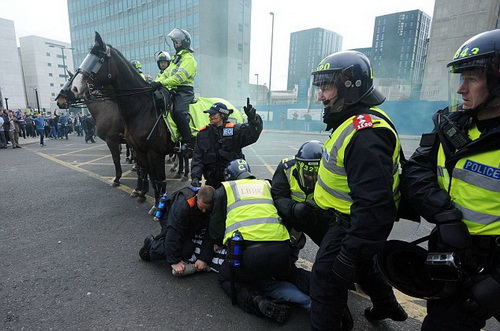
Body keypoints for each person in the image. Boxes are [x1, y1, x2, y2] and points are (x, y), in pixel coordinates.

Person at [402, 29, 500, 331]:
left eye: (471, 79)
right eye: (460, 78)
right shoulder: (450, 126)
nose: (460, 89)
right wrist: (444, 215)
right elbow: (416, 172)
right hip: (452, 247)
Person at [308, 50, 407, 330]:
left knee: (325, 280)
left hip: (352, 225)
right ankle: (388, 305)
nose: (320, 96)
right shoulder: (354, 123)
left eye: (326, 87)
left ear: (350, 87)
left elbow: (375, 205)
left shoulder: (364, 134)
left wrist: (349, 252)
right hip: (348, 219)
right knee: (364, 267)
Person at [209, 159, 311, 324]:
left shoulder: (225, 190)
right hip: (281, 249)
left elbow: (215, 231)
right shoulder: (267, 185)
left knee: (226, 278)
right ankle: (326, 292)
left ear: (229, 177)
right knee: (292, 274)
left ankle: (257, 302)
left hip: (249, 255)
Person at [271, 140, 329, 259]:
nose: (310, 177)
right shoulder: (286, 168)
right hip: (293, 214)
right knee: (285, 249)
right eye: (307, 173)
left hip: (318, 215)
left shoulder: (332, 170)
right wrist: (294, 208)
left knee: (330, 246)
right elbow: (278, 196)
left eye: (315, 174)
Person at [139, 185, 215, 276]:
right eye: (202, 207)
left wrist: (204, 258)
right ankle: (152, 246)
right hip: (169, 217)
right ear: (197, 198)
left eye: (207, 209)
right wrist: (175, 261)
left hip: (189, 220)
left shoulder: (214, 205)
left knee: (190, 245)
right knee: (186, 250)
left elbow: (211, 231)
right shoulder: (182, 206)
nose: (204, 211)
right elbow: (174, 232)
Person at [190, 102, 263, 189]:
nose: (210, 116)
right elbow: (197, 158)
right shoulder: (203, 134)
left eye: (213, 114)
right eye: (210, 114)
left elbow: (253, 134)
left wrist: (253, 120)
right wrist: (195, 177)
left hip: (233, 183)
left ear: (222, 115)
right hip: (213, 183)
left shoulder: (235, 130)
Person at [151, 28, 197, 153]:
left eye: (177, 42)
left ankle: (187, 143)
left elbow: (178, 78)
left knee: (178, 111)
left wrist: (161, 83)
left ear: (185, 43)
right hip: (173, 90)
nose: (175, 45)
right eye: (175, 42)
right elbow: (165, 74)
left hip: (184, 91)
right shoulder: (176, 59)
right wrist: (153, 82)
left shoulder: (189, 59)